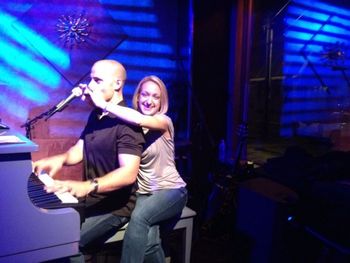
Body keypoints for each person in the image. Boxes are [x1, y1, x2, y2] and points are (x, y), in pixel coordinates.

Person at [32, 59, 145, 262]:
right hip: (92, 199)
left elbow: (128, 173)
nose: (91, 86)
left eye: (97, 80)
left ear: (117, 84)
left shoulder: (128, 123)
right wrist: (56, 160)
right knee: (47, 235)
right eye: (91, 79)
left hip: (117, 206)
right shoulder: (97, 115)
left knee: (67, 245)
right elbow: (79, 151)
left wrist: (87, 185)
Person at [86, 75, 188, 262]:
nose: (149, 101)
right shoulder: (130, 126)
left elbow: (139, 119)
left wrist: (104, 104)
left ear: (161, 102)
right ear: (138, 96)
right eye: (145, 95)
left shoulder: (163, 121)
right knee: (149, 242)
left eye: (155, 97)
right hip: (144, 194)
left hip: (171, 190)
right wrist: (90, 98)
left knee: (140, 218)